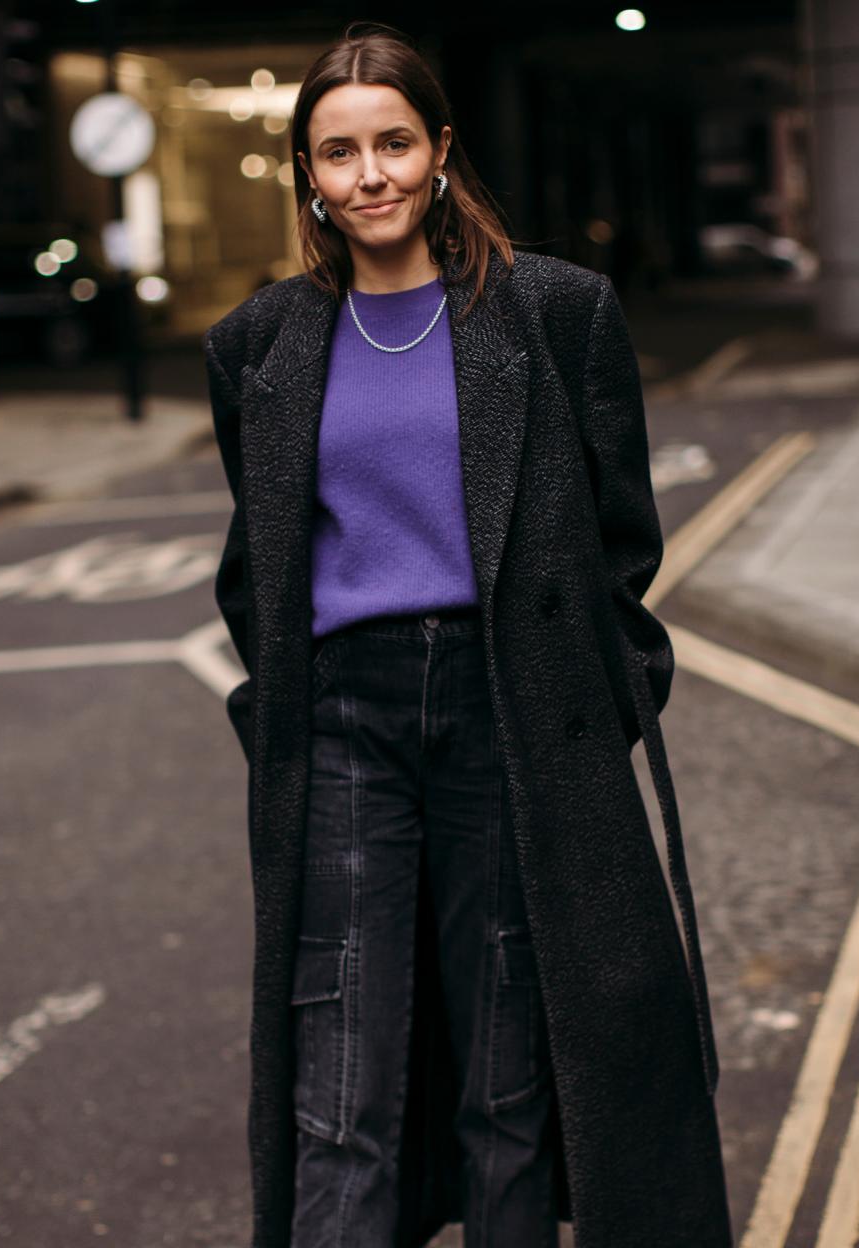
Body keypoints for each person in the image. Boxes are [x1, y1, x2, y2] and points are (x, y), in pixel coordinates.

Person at [203, 21, 733, 1248]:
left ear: (441, 152)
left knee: (508, 1082)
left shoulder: (554, 316)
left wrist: (588, 711)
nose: (369, 174)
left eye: (394, 142)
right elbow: (257, 567)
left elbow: (621, 547)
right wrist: (271, 710)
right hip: (346, 727)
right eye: (339, 154)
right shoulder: (259, 345)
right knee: (341, 1084)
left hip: (509, 714)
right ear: (309, 177)